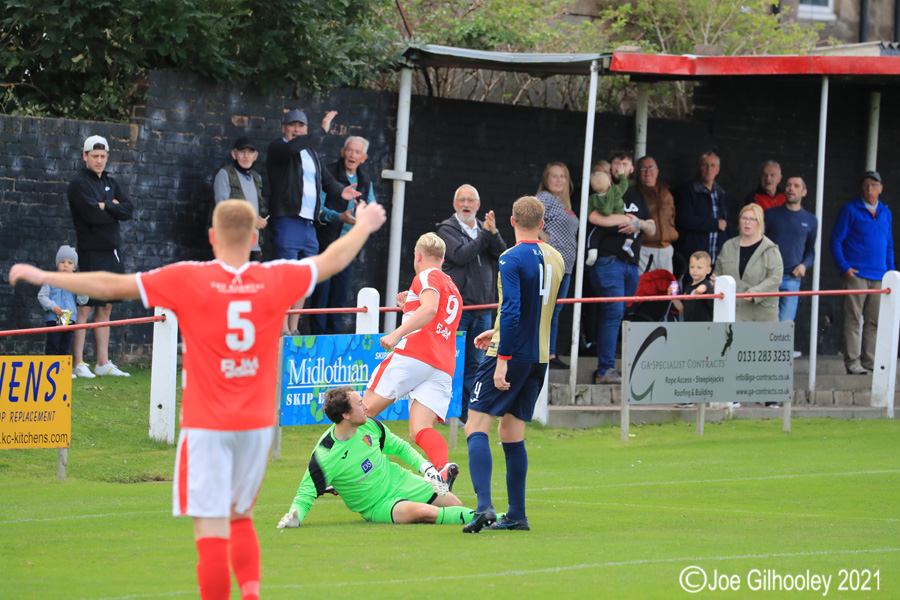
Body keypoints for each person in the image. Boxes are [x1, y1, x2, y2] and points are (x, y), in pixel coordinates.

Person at [10, 199, 387, 600]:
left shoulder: (189, 277)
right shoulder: (275, 277)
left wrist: (46, 275)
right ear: (256, 237)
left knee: (210, 531)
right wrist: (363, 224)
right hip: (256, 424)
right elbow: (332, 259)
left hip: (207, 424)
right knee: (241, 520)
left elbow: (110, 285)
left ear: (212, 237)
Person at [462, 196, 564, 533]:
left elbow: (513, 309)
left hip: (510, 356)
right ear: (543, 222)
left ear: (511, 220)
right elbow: (546, 309)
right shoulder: (556, 258)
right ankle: (517, 515)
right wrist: (497, 329)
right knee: (510, 432)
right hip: (538, 358)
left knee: (475, 425)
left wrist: (502, 358)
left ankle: (483, 507)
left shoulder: (510, 257)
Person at [277, 386, 476, 529]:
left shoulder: (370, 425)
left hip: (399, 479)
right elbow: (305, 493)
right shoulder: (324, 454)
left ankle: (480, 515)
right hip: (378, 505)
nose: (365, 407)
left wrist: (427, 469)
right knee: (424, 513)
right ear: (346, 415)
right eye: (359, 404)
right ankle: (490, 518)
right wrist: (296, 516)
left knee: (455, 504)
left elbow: (400, 448)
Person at [364, 233, 462, 486]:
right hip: (442, 364)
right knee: (420, 428)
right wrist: (408, 307)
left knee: (361, 411)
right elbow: (433, 313)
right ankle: (442, 468)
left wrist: (396, 334)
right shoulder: (452, 286)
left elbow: (429, 310)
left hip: (415, 354)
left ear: (418, 255)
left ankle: (350, 470)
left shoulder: (426, 275)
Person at [266, 108, 362, 335]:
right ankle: (281, 329)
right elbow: (293, 147)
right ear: (284, 128)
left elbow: (327, 181)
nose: (297, 130)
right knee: (287, 276)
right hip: (287, 220)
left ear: (306, 129)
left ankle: (293, 327)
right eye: (292, 125)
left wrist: (342, 191)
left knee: (305, 278)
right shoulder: (279, 148)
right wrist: (321, 130)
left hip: (309, 224)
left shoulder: (311, 155)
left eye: (301, 126)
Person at [436, 184, 507, 423]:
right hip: (458, 309)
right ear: (455, 204)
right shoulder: (447, 230)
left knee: (477, 365)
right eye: (462, 200)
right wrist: (486, 235)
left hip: (483, 308)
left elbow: (502, 254)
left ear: (478, 205)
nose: (466, 205)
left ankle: (468, 414)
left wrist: (493, 234)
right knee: (452, 363)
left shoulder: (485, 230)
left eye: (471, 200)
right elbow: (460, 255)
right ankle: (447, 412)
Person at [67, 135, 134, 378]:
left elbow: (128, 209)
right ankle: (79, 363)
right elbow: (92, 216)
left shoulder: (111, 181)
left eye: (102, 156)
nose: (99, 160)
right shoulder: (79, 184)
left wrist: (106, 206)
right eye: (94, 156)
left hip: (112, 253)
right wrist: (111, 208)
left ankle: (102, 363)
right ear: (85, 156)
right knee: (85, 307)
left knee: (105, 306)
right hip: (90, 253)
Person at [587, 153, 655, 385]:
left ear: (631, 169)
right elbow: (594, 217)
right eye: (617, 163)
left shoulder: (637, 195)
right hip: (609, 261)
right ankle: (604, 370)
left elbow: (652, 228)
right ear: (610, 169)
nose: (621, 167)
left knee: (617, 313)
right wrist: (624, 219)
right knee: (614, 312)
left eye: (625, 163)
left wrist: (639, 224)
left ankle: (609, 366)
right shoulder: (602, 190)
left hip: (631, 265)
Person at [309, 136, 376, 335]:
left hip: (348, 247)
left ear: (364, 158)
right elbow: (318, 209)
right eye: (349, 150)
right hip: (327, 244)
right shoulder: (328, 172)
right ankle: (317, 338)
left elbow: (372, 206)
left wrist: (364, 214)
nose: (352, 155)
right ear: (342, 152)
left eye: (357, 152)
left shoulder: (365, 180)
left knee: (339, 297)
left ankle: (332, 340)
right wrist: (340, 217)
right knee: (321, 294)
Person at [829, 171, 894, 375]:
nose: (870, 190)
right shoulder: (850, 209)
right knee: (854, 320)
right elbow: (836, 241)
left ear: (881, 188)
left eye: (874, 185)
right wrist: (845, 268)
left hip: (880, 277)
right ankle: (853, 362)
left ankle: (869, 360)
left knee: (873, 321)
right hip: (856, 275)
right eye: (866, 185)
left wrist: (891, 273)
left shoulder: (886, 213)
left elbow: (889, 246)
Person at [536, 162, 578, 370]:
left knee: (555, 310)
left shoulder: (565, 205)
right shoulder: (546, 198)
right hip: (551, 263)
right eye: (554, 176)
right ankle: (543, 353)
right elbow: (528, 217)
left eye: (563, 176)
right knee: (546, 309)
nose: (559, 180)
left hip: (566, 266)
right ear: (546, 179)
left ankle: (550, 353)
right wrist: (545, 239)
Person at [713, 204, 784, 322]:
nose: (747, 222)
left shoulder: (771, 249)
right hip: (731, 314)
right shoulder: (728, 246)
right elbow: (718, 272)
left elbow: (775, 278)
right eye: (744, 218)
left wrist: (755, 292)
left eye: (752, 219)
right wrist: (716, 281)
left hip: (761, 316)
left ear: (760, 222)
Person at [764, 176, 817, 330]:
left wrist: (804, 265)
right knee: (766, 324)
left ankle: (778, 354)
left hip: (792, 279)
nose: (791, 188)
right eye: (788, 185)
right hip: (768, 277)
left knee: (784, 326)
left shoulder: (811, 220)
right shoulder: (770, 214)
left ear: (804, 192)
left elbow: (810, 250)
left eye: (796, 186)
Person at [212, 137, 267, 261]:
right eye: (242, 152)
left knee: (252, 280)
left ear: (256, 156)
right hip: (233, 243)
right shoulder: (225, 174)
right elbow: (223, 210)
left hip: (254, 245)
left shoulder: (256, 178)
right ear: (234, 154)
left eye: (250, 152)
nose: (246, 156)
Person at [675, 151, 728, 266]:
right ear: (699, 168)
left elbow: (725, 224)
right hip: (694, 256)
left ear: (717, 170)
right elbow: (684, 219)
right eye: (705, 165)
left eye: (712, 165)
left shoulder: (720, 193)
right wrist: (714, 224)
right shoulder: (688, 190)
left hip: (715, 256)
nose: (709, 169)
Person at [37, 245, 87, 363]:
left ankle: (62, 373)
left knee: (65, 347)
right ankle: (49, 370)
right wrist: (52, 306)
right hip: (53, 319)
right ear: (57, 264)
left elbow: (82, 301)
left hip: (70, 320)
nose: (66, 265)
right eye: (62, 262)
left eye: (70, 263)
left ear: (74, 267)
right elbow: (42, 296)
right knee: (52, 346)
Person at [632, 156, 678, 274]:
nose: (648, 172)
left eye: (651, 167)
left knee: (667, 287)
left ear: (657, 171)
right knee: (645, 287)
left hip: (666, 248)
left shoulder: (666, 191)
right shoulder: (634, 193)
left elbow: (672, 216)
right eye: (643, 169)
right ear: (637, 172)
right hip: (645, 248)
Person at [585, 164, 631, 265]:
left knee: (593, 236)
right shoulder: (615, 191)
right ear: (609, 183)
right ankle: (628, 243)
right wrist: (622, 175)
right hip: (618, 223)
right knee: (630, 227)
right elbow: (624, 185)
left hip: (601, 226)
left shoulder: (592, 198)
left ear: (593, 187)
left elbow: (587, 214)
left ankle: (592, 253)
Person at [672, 251, 713, 323]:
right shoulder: (687, 286)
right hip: (689, 327)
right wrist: (673, 297)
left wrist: (698, 291)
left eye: (699, 267)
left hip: (704, 328)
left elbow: (703, 288)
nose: (695, 270)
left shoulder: (706, 284)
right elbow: (682, 310)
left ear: (708, 270)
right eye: (692, 267)